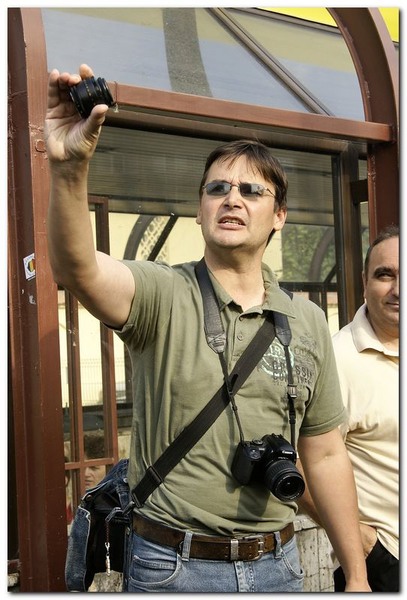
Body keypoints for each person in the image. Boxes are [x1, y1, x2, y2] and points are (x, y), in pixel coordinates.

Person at [44, 63, 370, 593]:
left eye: (251, 190)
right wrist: (69, 168)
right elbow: (77, 268)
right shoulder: (163, 292)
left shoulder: (307, 320)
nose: (232, 198)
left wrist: (356, 575)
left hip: (280, 566)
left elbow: (326, 454)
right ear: (200, 210)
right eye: (217, 188)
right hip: (172, 567)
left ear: (280, 215)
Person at [298, 225, 399, 592]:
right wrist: (363, 543)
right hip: (385, 561)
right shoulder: (338, 359)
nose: (398, 289)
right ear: (364, 282)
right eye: (385, 275)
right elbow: (303, 462)